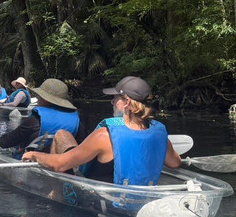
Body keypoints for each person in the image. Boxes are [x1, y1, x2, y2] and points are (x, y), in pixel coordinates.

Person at [21, 76, 180, 186]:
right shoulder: (159, 135)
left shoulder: (105, 136)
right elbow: (175, 162)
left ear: (126, 103)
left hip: (101, 199)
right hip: (138, 200)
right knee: (63, 135)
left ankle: (55, 195)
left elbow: (59, 165)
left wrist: (34, 155)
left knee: (60, 142)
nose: (111, 102)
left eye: (115, 98)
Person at [0, 78, 82, 153]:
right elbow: (80, 144)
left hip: (34, 162)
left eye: (39, 95)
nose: (38, 97)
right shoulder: (77, 121)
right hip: (66, 164)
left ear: (45, 99)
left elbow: (11, 140)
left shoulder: (36, 120)